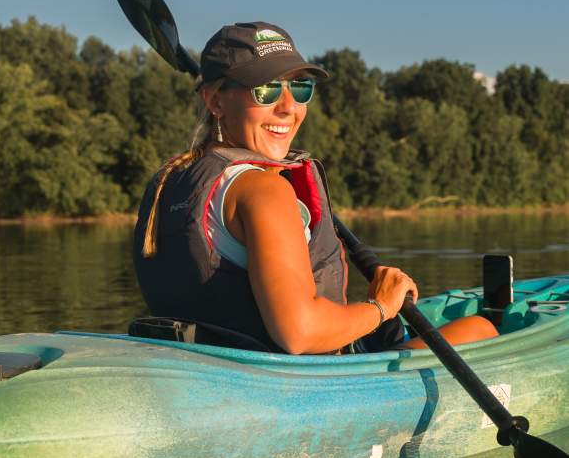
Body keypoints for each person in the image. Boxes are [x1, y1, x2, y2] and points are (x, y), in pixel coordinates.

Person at [134, 22, 497, 354]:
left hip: (218, 368)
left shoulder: (170, 180)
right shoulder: (262, 190)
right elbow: (300, 333)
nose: (288, 106)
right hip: (300, 383)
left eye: (300, 87)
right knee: (480, 328)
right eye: (266, 90)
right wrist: (381, 306)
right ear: (215, 100)